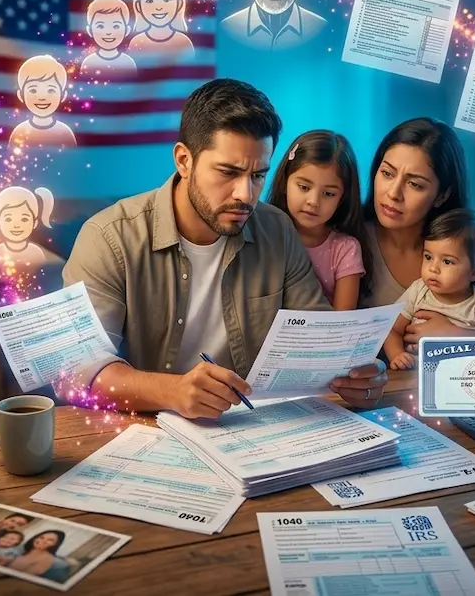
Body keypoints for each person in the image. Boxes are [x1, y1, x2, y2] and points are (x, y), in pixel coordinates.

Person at [62, 79, 389, 418]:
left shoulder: (277, 229)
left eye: (258, 176)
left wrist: (357, 375)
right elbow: (78, 369)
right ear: (184, 160)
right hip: (142, 427)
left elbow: (318, 340)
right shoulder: (109, 238)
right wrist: (172, 392)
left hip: (254, 426)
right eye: (228, 172)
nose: (245, 195)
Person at [358, 118, 475, 354]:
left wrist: (458, 336)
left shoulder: (473, 245)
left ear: (442, 195)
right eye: (387, 173)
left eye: (415, 184)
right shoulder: (350, 240)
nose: (393, 193)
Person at [382, 209, 475, 369]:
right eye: (428, 257)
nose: (433, 268)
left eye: (447, 261)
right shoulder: (418, 290)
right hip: (413, 374)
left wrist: (455, 336)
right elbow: (392, 330)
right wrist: (397, 355)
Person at [265, 130, 368, 310]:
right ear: (285, 182)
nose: (313, 201)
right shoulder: (266, 234)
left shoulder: (345, 249)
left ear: (342, 198)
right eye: (304, 187)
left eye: (328, 193)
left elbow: (342, 319)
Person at [0, 186, 55, 268]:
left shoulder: (37, 252)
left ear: (35, 223)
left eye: (24, 219)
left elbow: (44, 271)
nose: (16, 225)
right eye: (8, 219)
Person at [9, 54, 77, 148]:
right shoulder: (20, 131)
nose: (42, 97)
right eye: (33, 90)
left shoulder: (65, 133)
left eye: (51, 90)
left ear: (63, 95)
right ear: (21, 95)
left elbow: (74, 156)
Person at [128, 0, 195, 60]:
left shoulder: (184, 42)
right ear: (138, 6)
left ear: (179, 3)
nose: (158, 7)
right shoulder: (137, 42)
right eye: (149, 0)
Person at [80, 0, 137, 76]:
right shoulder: (89, 63)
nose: (108, 32)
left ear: (127, 30)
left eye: (116, 26)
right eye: (100, 26)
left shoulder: (128, 63)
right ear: (90, 31)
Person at [9, 530, 76, 583]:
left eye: (50, 540)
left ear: (55, 544)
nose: (43, 541)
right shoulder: (21, 550)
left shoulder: (48, 559)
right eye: (41, 537)